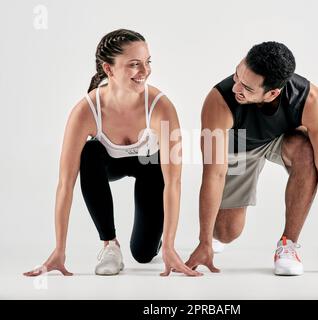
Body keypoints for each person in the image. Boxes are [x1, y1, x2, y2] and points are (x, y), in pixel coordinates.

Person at [24, 29, 201, 277]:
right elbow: (65, 184)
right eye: (134, 65)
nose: (145, 71)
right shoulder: (86, 111)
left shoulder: (161, 106)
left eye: (147, 62)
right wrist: (59, 250)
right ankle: (110, 245)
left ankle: (157, 243)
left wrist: (170, 246)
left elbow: (173, 181)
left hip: (150, 168)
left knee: (143, 253)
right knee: (89, 153)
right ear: (108, 69)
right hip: (106, 165)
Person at [186, 41, 318, 276]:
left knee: (307, 151)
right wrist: (204, 240)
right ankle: (216, 238)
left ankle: (288, 246)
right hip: (239, 147)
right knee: (227, 232)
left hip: (281, 139)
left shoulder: (311, 101)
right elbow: (214, 173)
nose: (236, 87)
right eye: (237, 74)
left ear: (272, 93)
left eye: (247, 88)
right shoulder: (219, 101)